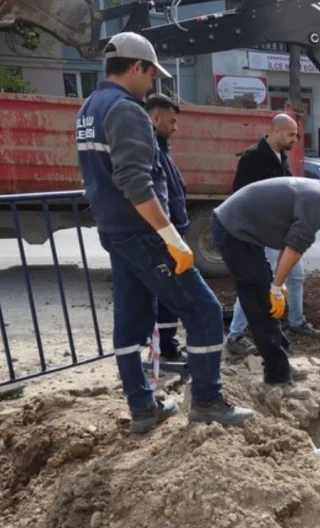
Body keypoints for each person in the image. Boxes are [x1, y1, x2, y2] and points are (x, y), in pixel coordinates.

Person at [76, 31, 254, 433]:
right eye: (151, 74)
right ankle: (208, 401)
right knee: (204, 310)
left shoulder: (89, 107)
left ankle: (143, 407)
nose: (151, 83)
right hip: (143, 233)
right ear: (137, 67)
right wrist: (171, 238)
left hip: (116, 231)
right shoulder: (126, 109)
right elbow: (135, 181)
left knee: (131, 316)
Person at [210, 169, 320, 386]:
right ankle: (277, 376)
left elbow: (288, 241)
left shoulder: (317, 190)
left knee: (262, 293)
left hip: (239, 230)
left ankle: (281, 362)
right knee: (259, 300)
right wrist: (276, 286)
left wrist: (277, 283)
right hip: (234, 230)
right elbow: (294, 247)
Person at [224, 113, 320, 357]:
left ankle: (297, 321)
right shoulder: (252, 158)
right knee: (256, 283)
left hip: (279, 231)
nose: (294, 139)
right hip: (261, 233)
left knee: (296, 275)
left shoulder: (280, 156)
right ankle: (235, 335)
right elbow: (240, 196)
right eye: (291, 134)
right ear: (276, 131)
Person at [145, 93, 187, 363]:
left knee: (170, 296)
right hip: (165, 237)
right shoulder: (151, 149)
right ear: (156, 118)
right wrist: (169, 235)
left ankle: (166, 345)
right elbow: (158, 198)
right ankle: (165, 348)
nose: (175, 127)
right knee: (167, 296)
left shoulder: (160, 148)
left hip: (173, 233)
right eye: (171, 121)